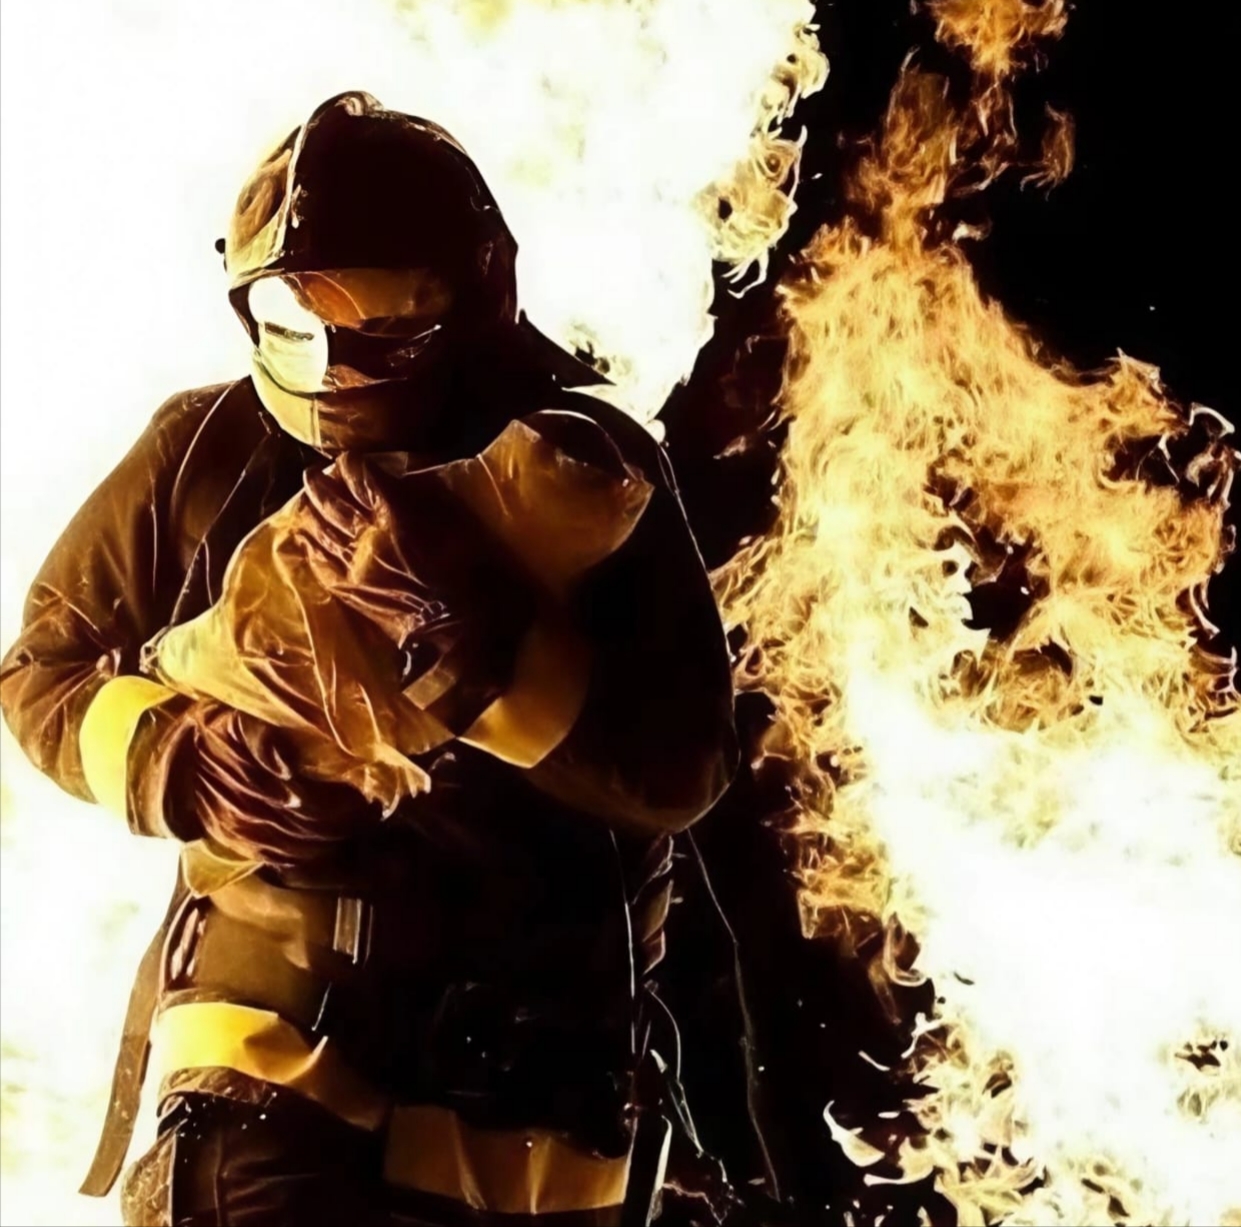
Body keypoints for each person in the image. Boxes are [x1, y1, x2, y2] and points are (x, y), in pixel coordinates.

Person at [0, 91, 738, 1227]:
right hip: (271, 1064)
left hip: (535, 1111)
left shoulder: (583, 469)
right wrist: (177, 755)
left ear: (473, 286)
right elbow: (43, 669)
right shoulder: (203, 452)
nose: (336, 356)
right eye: (294, 310)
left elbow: (678, 770)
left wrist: (470, 646)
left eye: (384, 308)